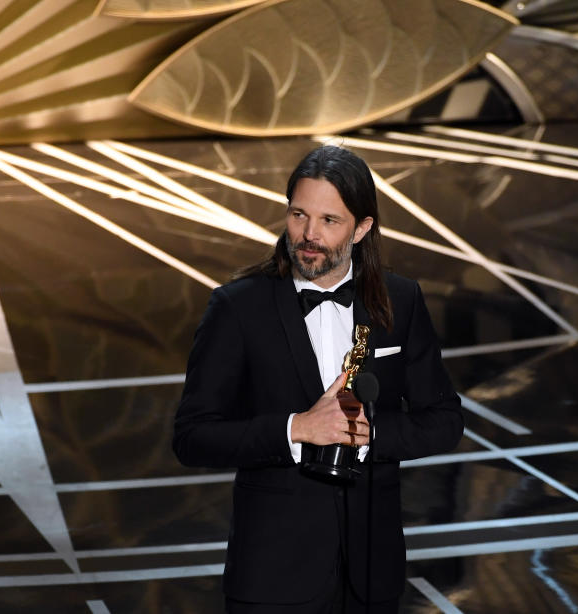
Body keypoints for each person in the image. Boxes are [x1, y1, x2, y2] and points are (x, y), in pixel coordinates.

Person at [173, 145, 463, 613]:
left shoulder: (401, 300)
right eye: (298, 215)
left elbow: (445, 420)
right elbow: (192, 436)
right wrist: (296, 429)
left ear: (362, 227)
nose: (309, 235)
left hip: (372, 575)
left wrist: (369, 434)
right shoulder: (237, 307)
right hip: (271, 579)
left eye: (330, 220)